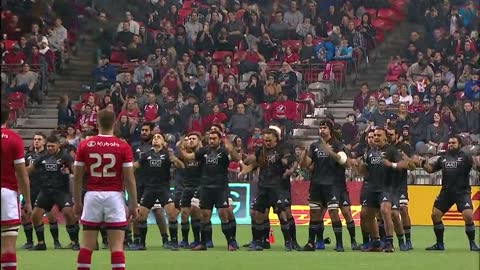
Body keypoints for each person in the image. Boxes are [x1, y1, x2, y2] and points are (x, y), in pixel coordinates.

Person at [73, 109, 138, 270]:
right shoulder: (123, 146)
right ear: (115, 123)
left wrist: (77, 202)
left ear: (97, 123)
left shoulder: (85, 145)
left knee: (87, 245)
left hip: (92, 195)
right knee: (116, 246)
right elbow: (129, 179)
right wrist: (133, 204)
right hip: (114, 196)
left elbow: (77, 177)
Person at [354, 127, 413, 252]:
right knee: (366, 214)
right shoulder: (370, 152)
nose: (375, 137)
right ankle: (376, 242)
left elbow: (405, 164)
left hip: (387, 187)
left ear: (385, 137)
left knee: (386, 211)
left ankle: (389, 243)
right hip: (371, 188)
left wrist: (391, 164)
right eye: (374, 135)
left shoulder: (392, 151)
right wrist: (359, 167)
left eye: (379, 135)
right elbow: (365, 172)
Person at [179, 131, 240, 251]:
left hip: (220, 188)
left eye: (214, 139)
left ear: (219, 140)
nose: (211, 141)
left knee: (223, 214)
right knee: (205, 216)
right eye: (210, 139)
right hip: (206, 188)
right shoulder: (204, 151)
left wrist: (229, 145)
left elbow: (236, 158)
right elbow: (189, 157)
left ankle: (230, 242)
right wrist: (180, 148)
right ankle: (203, 243)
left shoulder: (223, 151)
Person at [240, 128, 297, 251]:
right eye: (265, 138)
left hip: (279, 187)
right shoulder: (261, 151)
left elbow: (290, 160)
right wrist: (245, 167)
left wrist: (286, 162)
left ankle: (290, 242)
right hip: (263, 187)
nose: (267, 141)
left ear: (276, 138)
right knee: (256, 213)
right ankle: (259, 241)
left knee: (283, 214)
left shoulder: (283, 148)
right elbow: (254, 163)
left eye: (269, 138)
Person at [421, 135, 480, 251]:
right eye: (449, 143)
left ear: (460, 145)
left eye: (453, 143)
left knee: (468, 216)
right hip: (446, 192)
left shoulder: (466, 157)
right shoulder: (443, 157)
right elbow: (430, 170)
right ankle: (439, 244)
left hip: (462, 192)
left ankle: (473, 244)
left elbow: (476, 167)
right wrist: (423, 163)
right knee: (435, 215)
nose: (450, 145)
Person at [300, 120, 351, 252]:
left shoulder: (338, 145)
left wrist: (330, 152)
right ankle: (311, 243)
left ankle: (339, 244)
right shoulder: (314, 146)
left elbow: (345, 163)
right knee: (314, 214)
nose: (322, 130)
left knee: (334, 213)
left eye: (325, 128)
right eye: (320, 127)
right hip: (316, 184)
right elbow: (305, 166)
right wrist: (304, 155)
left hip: (332, 184)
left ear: (330, 130)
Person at [28, 136, 79, 251]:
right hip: (45, 191)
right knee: (35, 216)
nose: (50, 148)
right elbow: (29, 170)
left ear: (58, 145)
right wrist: (18, 169)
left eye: (52, 146)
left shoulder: (65, 156)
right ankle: (41, 243)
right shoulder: (42, 157)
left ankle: (75, 242)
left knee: (68, 213)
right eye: (48, 146)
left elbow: (74, 170)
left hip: (61, 191)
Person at [134, 133, 184, 250]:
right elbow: (135, 166)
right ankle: (142, 243)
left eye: (158, 137)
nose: (155, 139)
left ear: (163, 142)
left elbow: (181, 166)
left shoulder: (167, 154)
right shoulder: (145, 155)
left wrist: (174, 158)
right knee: (141, 216)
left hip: (163, 189)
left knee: (171, 214)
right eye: (154, 137)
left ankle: (173, 242)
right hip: (149, 188)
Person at [1, 105, 32, 270]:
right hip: (7, 193)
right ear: (8, 118)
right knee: (9, 244)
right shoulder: (14, 139)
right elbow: (22, 174)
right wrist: (27, 201)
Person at [131, 122, 169, 249]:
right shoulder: (135, 146)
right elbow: (132, 163)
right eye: (142, 130)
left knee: (158, 212)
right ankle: (138, 241)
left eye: (146, 130)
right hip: (138, 183)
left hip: (152, 184)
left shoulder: (160, 148)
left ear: (152, 132)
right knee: (137, 213)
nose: (144, 132)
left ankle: (165, 239)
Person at [21, 133, 60, 250]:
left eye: (39, 139)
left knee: (51, 215)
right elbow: (23, 172)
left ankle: (56, 241)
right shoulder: (28, 155)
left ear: (44, 142)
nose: (36, 141)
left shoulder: (48, 155)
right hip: (31, 188)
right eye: (34, 139)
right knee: (25, 215)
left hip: (45, 189)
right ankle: (29, 241)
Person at [386, 126, 416, 251]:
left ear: (397, 135)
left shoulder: (405, 147)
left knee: (403, 210)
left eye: (391, 135)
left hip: (400, 185)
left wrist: (405, 158)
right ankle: (389, 240)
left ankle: (408, 240)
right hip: (387, 185)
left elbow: (413, 166)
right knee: (391, 214)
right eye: (387, 135)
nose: (389, 137)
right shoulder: (384, 148)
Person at [177, 132, 203, 248]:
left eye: (193, 139)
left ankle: (197, 239)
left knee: (195, 212)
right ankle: (184, 240)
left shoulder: (203, 154)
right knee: (184, 214)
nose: (191, 141)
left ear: (199, 141)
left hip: (199, 187)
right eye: (189, 139)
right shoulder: (184, 155)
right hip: (186, 186)